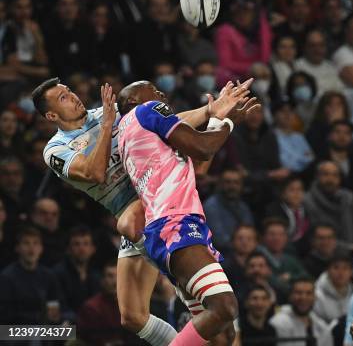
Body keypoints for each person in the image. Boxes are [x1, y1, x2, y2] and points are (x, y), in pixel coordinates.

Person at [33, 77, 250, 344]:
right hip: (139, 212)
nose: (74, 96)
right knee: (132, 317)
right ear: (51, 114)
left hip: (151, 206)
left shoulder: (105, 111)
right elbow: (94, 172)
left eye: (70, 91)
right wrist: (107, 127)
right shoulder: (56, 148)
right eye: (63, 97)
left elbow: (163, 121)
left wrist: (209, 111)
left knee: (217, 309)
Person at [115, 80, 259, 344]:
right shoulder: (147, 110)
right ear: (133, 101)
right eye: (151, 89)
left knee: (223, 334)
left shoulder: (135, 136)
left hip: (170, 227)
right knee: (225, 307)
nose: (160, 93)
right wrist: (226, 121)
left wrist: (218, 117)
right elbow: (204, 147)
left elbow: (200, 164)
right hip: (175, 224)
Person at [77, 262, 140, 345]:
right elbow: (85, 337)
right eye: (110, 276)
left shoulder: (135, 306)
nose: (115, 281)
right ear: (102, 280)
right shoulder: (91, 308)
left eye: (119, 276)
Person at [270, 277, 334, 346]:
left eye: (308, 293)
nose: (303, 298)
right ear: (290, 296)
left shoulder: (322, 327)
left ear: (315, 297)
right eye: (298, 293)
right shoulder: (279, 323)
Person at [313, 251, 353, 324]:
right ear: (328, 270)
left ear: (351, 272)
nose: (341, 272)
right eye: (336, 267)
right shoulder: (316, 295)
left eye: (345, 268)